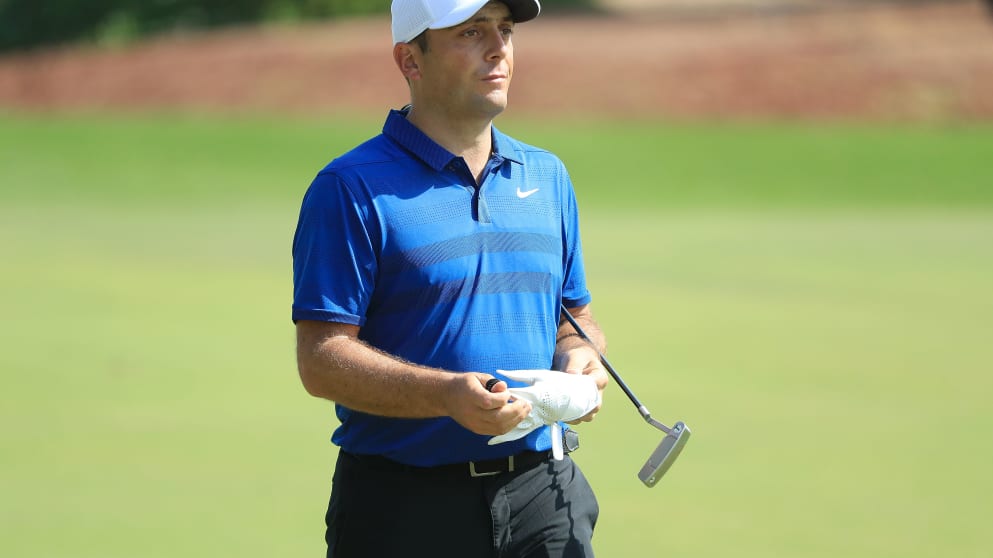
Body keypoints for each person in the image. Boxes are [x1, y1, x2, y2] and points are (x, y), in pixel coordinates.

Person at [291, 0, 610, 556]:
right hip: (404, 506)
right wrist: (446, 396)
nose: (498, 48)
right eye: (471, 31)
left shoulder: (548, 176)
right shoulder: (350, 188)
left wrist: (582, 356)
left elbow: (572, 317)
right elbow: (321, 360)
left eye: (505, 30)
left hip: (545, 495)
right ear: (410, 60)